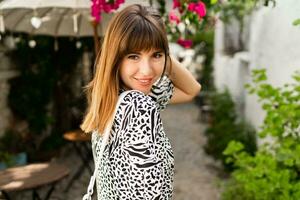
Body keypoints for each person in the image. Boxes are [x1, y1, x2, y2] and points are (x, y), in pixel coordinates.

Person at [80, 4, 201, 200]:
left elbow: (192, 90)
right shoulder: (137, 105)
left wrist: (161, 52)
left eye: (156, 55)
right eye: (133, 56)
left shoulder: (113, 97)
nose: (146, 71)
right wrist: (158, 51)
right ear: (116, 58)